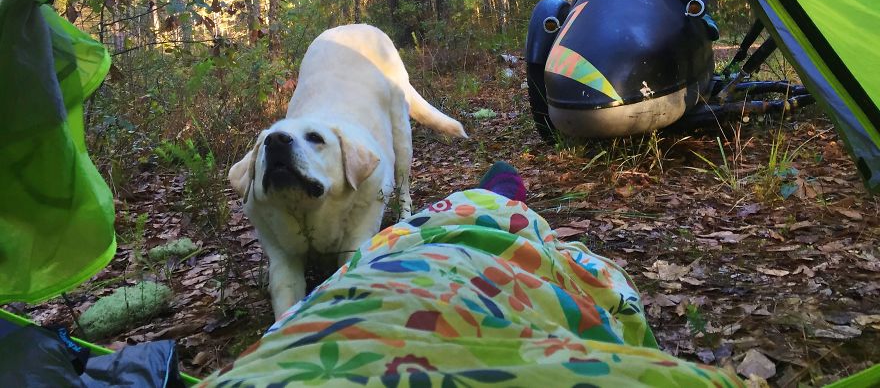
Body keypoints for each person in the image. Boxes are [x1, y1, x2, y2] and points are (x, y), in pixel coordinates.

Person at [201, 163, 742, 387]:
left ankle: (479, 206)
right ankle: (497, 207)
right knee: (485, 234)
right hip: (466, 262)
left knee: (405, 244)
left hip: (356, 299)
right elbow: (609, 293)